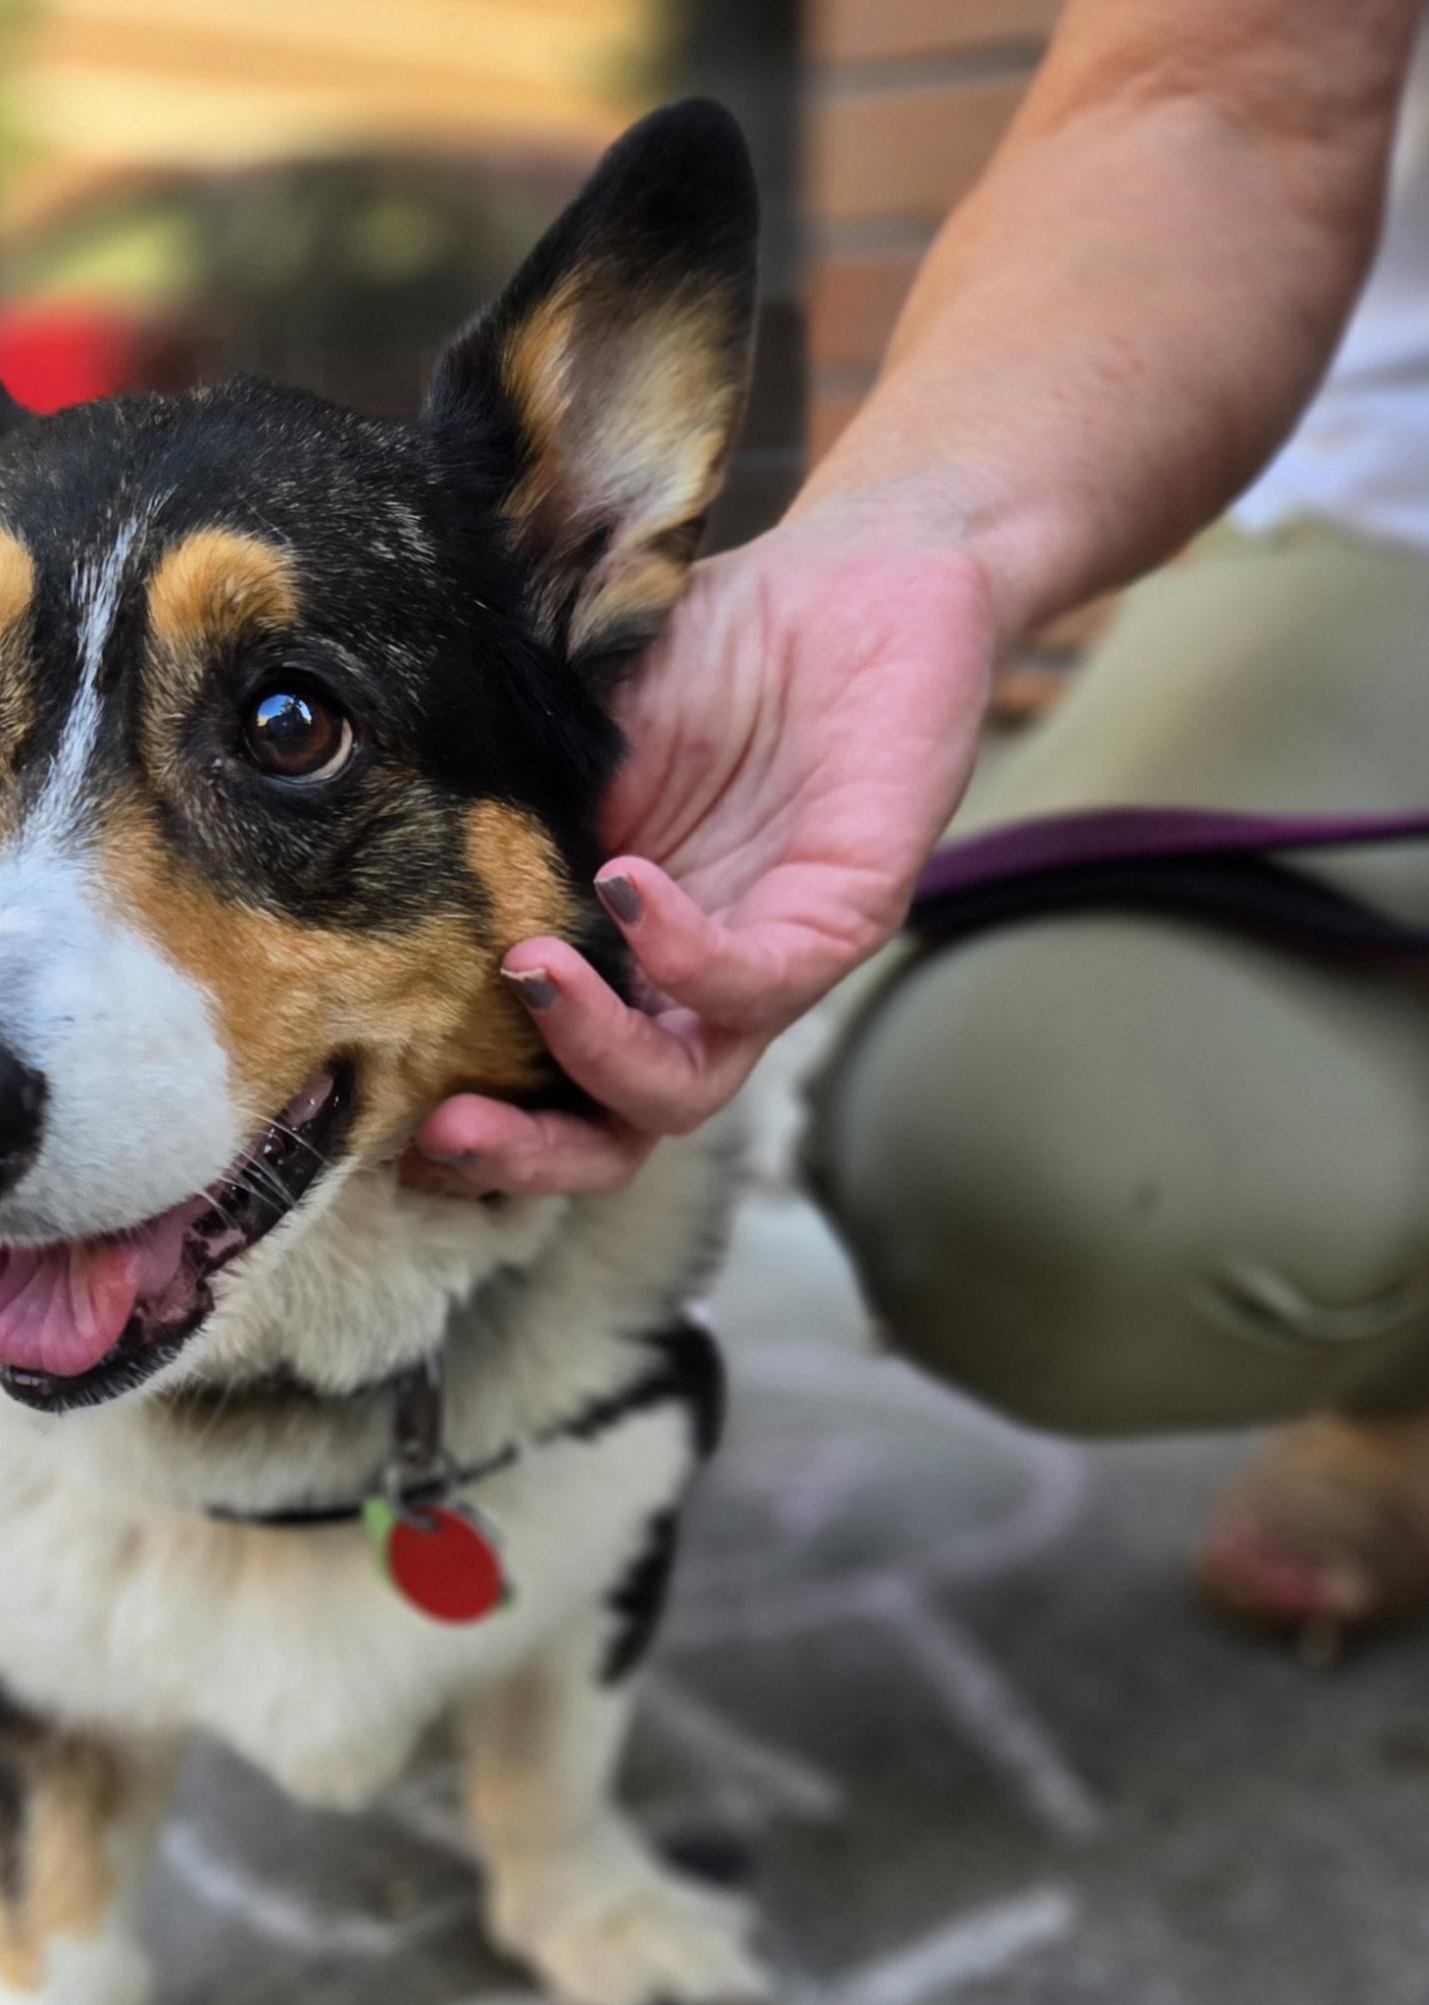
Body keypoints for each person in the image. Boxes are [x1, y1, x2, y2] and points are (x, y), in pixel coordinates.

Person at [410, 0, 1429, 1639]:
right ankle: (1406, 1392)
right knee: (1028, 1160)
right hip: (1407, 514)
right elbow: (1213, 96)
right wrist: (907, 543)